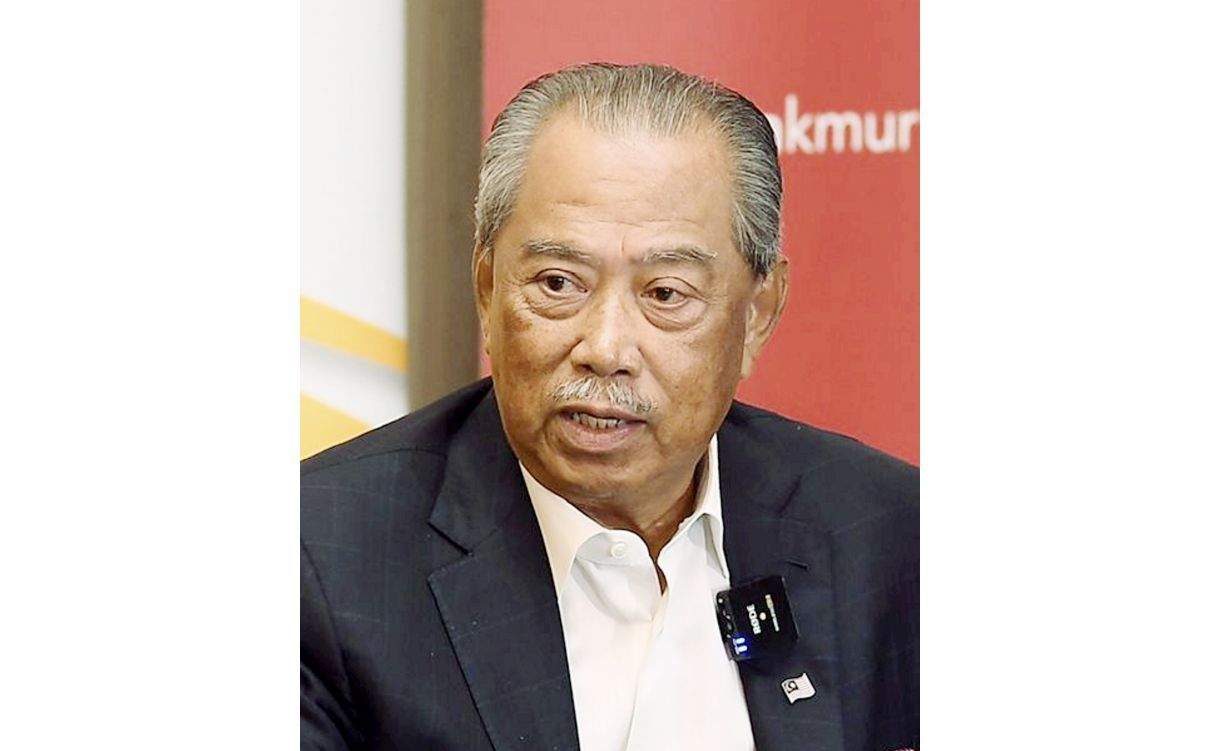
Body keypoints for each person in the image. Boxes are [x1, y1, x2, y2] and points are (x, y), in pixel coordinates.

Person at [301, 63, 917, 751]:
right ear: (487, 288)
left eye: (665, 294)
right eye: (558, 283)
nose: (605, 347)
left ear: (758, 313)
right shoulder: (321, 561)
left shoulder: (892, 539)